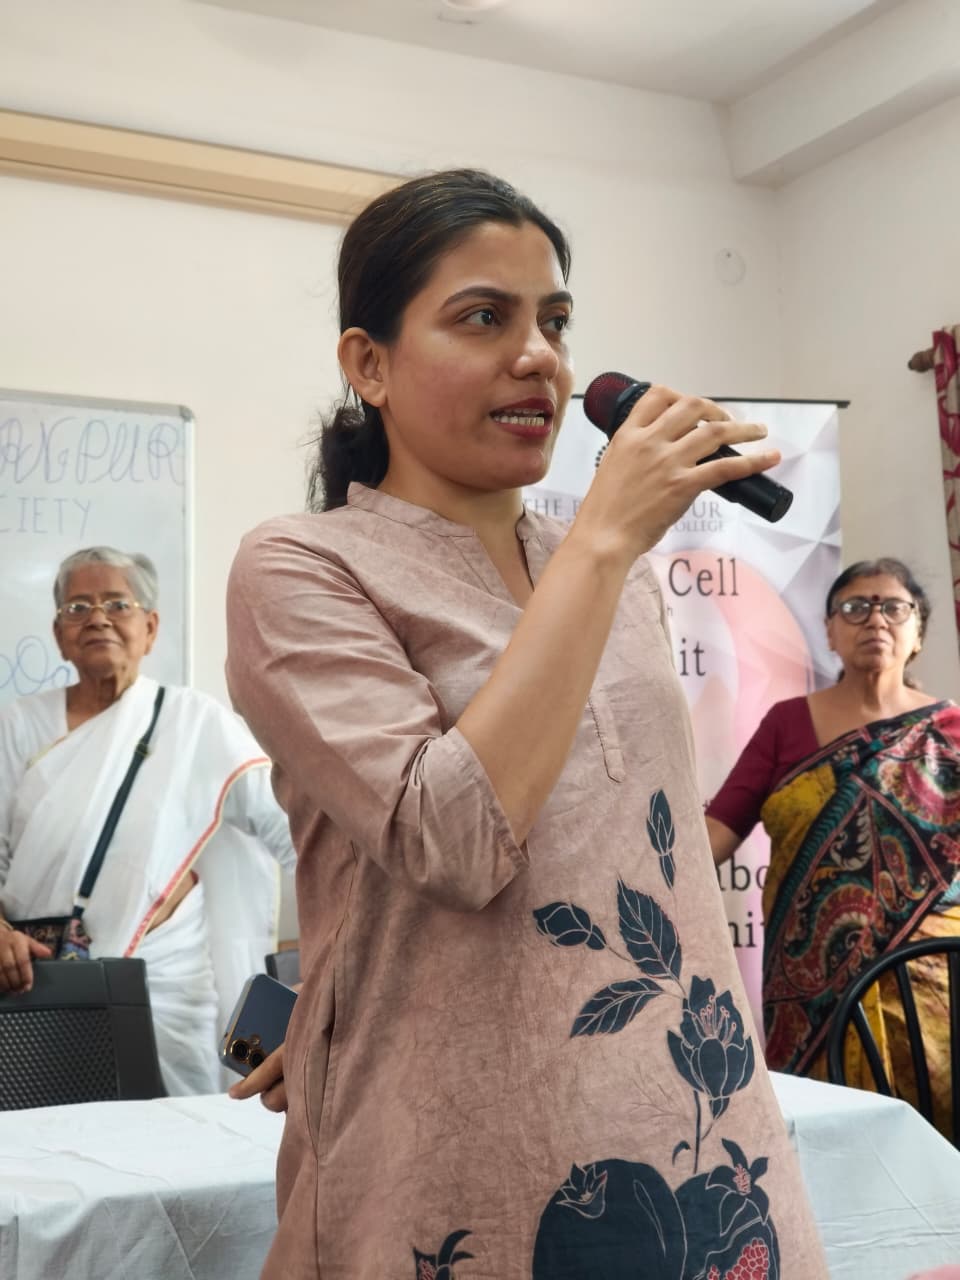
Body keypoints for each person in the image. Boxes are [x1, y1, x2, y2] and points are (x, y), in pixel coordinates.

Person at [226, 168, 827, 1278]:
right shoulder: (301, 566)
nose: (539, 355)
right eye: (483, 318)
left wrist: (595, 550)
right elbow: (451, 842)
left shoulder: (613, 571)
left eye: (553, 320)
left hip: (699, 1123)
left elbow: (634, 843)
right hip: (463, 1135)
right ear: (368, 363)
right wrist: (603, 539)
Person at [0, 546, 297, 1095]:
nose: (97, 618)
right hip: (35, 983)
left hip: (165, 983)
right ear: (59, 634)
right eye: (78, 608)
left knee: (175, 1135)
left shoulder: (194, 722)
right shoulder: (18, 725)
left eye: (117, 603)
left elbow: (296, 831)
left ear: (150, 627)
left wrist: (334, 944)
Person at [707, 558, 960, 1135]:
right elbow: (716, 834)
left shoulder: (951, 731)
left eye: (894, 607)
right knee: (829, 1142)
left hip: (933, 980)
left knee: (941, 1136)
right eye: (855, 607)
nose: (875, 619)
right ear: (829, 631)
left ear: (918, 631)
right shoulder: (787, 725)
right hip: (810, 993)